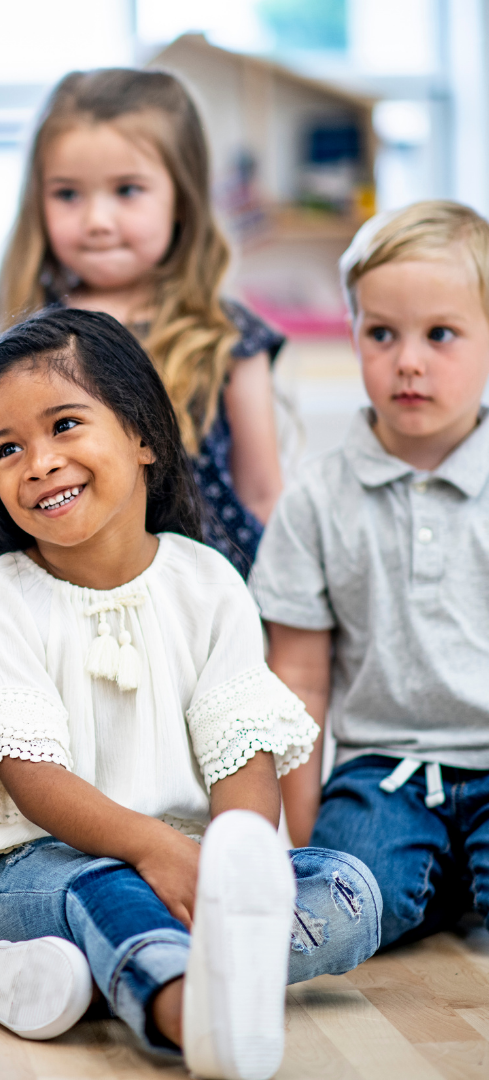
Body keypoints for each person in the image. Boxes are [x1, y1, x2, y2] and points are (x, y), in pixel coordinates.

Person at [0, 309, 380, 1080]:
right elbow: (34, 782)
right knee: (98, 888)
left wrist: (233, 871)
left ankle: (61, 982)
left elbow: (242, 758)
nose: (39, 462)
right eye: (9, 449)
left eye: (65, 424)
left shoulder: (209, 585)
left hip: (186, 864)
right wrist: (154, 850)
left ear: (144, 437)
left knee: (348, 890)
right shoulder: (4, 599)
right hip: (27, 867)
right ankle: (183, 1004)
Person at [252, 200, 489, 948]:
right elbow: (299, 678)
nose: (407, 361)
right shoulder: (317, 498)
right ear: (353, 333)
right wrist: (301, 833)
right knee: (342, 903)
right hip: (382, 772)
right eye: (381, 333)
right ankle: (214, 970)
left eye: (440, 335)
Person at [0, 69, 284, 576]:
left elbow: (261, 493)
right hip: (69, 601)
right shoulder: (26, 341)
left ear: (181, 201)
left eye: (127, 190)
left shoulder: (227, 337)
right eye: (68, 194)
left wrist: (288, 624)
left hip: (208, 604)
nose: (97, 219)